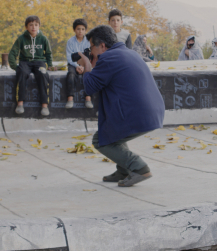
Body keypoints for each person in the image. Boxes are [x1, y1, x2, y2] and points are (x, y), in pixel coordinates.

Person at [78, 25, 164, 187]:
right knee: (113, 134)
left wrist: (87, 65)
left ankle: (139, 167)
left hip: (138, 114)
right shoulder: (130, 53)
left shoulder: (108, 58)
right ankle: (124, 170)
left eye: (92, 48)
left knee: (101, 140)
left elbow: (90, 87)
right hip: (153, 111)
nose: (92, 52)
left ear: (102, 46)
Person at [8, 15, 55, 116]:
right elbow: (12, 53)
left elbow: (48, 53)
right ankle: (20, 103)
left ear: (39, 26)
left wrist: (50, 64)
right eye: (31, 25)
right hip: (25, 62)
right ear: (26, 27)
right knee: (22, 73)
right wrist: (15, 66)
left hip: (39, 62)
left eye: (36, 25)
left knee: (43, 74)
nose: (33, 27)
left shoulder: (43, 38)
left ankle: (44, 105)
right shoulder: (21, 39)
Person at [65, 19, 93, 109]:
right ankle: (70, 98)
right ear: (74, 30)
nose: (80, 31)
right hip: (73, 64)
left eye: (82, 29)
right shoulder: (70, 41)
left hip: (86, 64)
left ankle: (88, 98)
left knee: (89, 74)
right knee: (71, 74)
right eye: (78, 29)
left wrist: (83, 67)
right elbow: (69, 57)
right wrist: (77, 66)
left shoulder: (88, 42)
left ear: (85, 30)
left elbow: (89, 56)